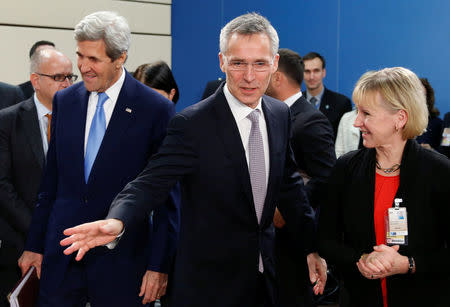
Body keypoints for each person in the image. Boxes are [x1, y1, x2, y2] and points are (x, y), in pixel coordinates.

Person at [60, 12, 327, 307]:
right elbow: (150, 182)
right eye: (238, 63)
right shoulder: (193, 124)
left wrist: (310, 247)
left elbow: (289, 186)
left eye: (259, 64)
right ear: (222, 61)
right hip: (208, 287)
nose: (249, 76)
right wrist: (118, 220)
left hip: (264, 280)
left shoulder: (278, 115)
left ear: (274, 64)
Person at [18, 11, 178, 307]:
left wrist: (159, 266)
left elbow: (167, 199)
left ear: (120, 58)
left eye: (94, 59)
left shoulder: (154, 109)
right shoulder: (66, 101)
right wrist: (34, 246)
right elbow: (50, 184)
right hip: (62, 258)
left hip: (123, 263)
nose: (83, 67)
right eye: (80, 56)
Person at [318, 67, 450, 307]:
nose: (357, 122)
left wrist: (408, 264)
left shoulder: (440, 171)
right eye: (357, 112)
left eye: (366, 113)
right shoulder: (346, 169)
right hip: (360, 297)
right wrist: (361, 258)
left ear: (400, 118)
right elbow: (326, 240)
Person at [0, 48, 74, 307]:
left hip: (69, 245)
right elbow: (2, 185)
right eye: (58, 77)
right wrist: (38, 230)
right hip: (20, 244)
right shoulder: (8, 121)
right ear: (35, 80)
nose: (66, 84)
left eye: (69, 77)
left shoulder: (81, 121)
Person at [265, 48, 334, 306]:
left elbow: (327, 176)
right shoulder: (271, 113)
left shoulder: (310, 120)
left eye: (265, 71)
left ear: (278, 78)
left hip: (294, 238)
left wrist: (286, 209)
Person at [302, 52, 352, 139]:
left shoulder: (341, 103)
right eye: (307, 71)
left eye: (316, 71)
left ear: (323, 72)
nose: (311, 77)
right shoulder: (295, 102)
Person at [415, 78, 443, 150]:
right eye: (415, 95)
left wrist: (431, 151)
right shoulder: (397, 122)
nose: (419, 100)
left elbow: (445, 154)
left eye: (422, 96)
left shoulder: (437, 124)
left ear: (428, 99)